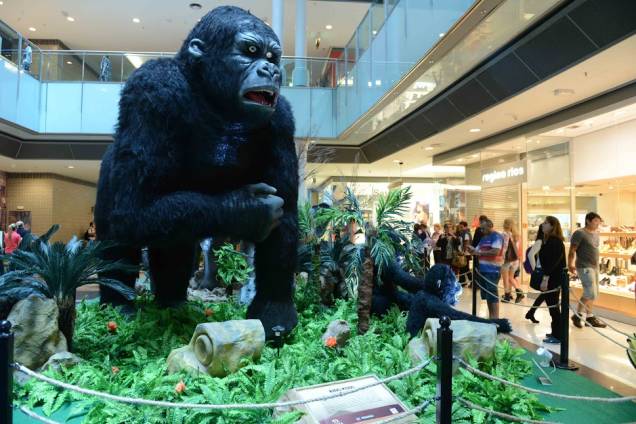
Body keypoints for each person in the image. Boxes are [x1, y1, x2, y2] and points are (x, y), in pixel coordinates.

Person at [569, 212, 607, 329]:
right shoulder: (579, 233)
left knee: (593, 293)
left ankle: (589, 317)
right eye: (595, 221)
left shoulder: (596, 233)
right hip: (584, 266)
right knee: (590, 292)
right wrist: (570, 264)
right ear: (588, 221)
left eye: (599, 221)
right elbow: (572, 249)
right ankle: (578, 314)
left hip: (594, 267)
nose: (598, 223)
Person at [536, 216, 567, 344]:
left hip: (553, 278)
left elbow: (552, 262)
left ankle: (558, 335)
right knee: (552, 307)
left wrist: (545, 278)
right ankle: (556, 332)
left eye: (546, 223)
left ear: (552, 226)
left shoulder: (555, 241)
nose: (543, 225)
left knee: (554, 307)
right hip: (552, 277)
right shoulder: (549, 240)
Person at [467, 218, 503, 319]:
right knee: (487, 295)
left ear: (490, 226)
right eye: (480, 229)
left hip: (492, 270)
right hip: (482, 270)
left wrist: (480, 253)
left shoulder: (496, 236)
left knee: (492, 293)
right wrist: (472, 250)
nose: (481, 231)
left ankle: (495, 318)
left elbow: (495, 251)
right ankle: (491, 316)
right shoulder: (483, 238)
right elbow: (477, 251)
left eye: (483, 228)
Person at [524, 225, 545, 324]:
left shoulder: (545, 241)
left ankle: (531, 312)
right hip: (541, 271)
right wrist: (535, 269)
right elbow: (530, 255)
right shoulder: (540, 241)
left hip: (543, 271)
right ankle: (531, 312)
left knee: (545, 294)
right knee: (547, 294)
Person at [501, 218, 524, 303]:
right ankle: (511, 294)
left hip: (507, 260)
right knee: (511, 277)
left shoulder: (505, 234)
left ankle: (508, 296)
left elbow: (505, 247)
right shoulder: (517, 235)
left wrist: (501, 257)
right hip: (515, 260)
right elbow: (519, 248)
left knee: (505, 279)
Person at [457, 221, 472, 286]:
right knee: (463, 268)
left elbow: (466, 243)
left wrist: (463, 251)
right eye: (460, 227)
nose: (460, 228)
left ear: (465, 226)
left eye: (461, 227)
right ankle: (462, 281)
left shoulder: (466, 233)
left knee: (465, 268)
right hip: (463, 253)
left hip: (466, 254)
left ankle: (471, 281)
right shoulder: (462, 233)